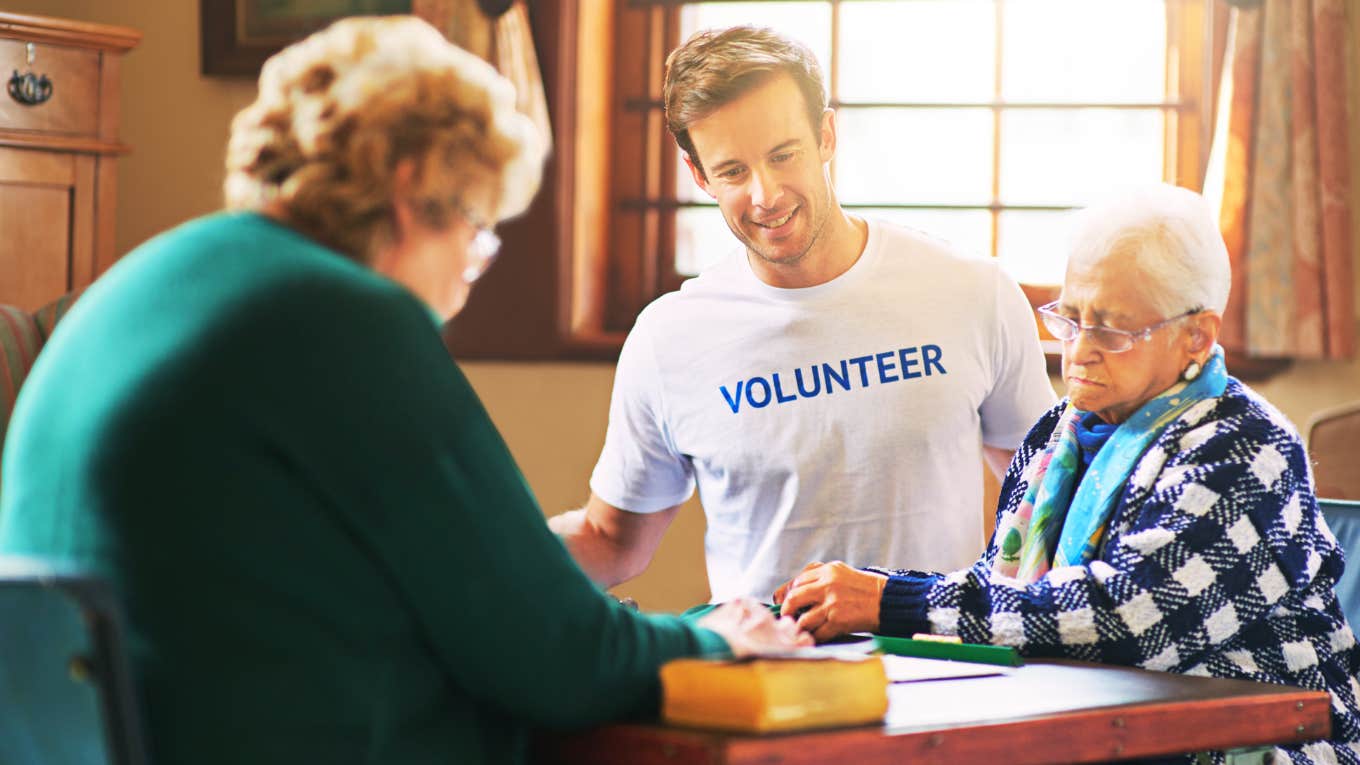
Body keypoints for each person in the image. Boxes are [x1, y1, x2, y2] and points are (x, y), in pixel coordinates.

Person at [0, 17, 809, 765]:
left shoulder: (151, 279)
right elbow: (554, 652)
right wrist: (715, 639)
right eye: (476, 227)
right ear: (412, 185)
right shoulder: (342, 317)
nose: (467, 276)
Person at [774, 184, 1360, 762]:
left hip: (1265, 742)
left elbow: (1128, 619)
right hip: (1109, 728)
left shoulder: (1246, 449)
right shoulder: (1060, 434)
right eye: (1070, 318)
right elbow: (1006, 602)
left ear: (1195, 337)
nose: (1078, 351)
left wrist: (889, 598)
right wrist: (840, 600)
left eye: (1110, 329)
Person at [550, 25, 1055, 602]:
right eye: (733, 171)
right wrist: (474, 556)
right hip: (768, 674)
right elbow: (611, 541)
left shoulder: (973, 291)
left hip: (948, 665)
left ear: (826, 135)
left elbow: (1043, 506)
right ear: (699, 176)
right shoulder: (669, 338)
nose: (765, 194)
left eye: (783, 155)